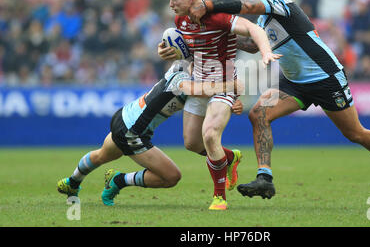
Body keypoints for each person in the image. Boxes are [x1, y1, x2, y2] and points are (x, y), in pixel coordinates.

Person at [189, 0, 370, 205]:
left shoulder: (279, 1)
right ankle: (265, 177)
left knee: (355, 133)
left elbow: (245, 5)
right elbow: (253, 45)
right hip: (295, 83)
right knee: (259, 113)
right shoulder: (265, 18)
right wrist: (218, 37)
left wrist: (208, 6)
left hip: (325, 78)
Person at [158, 0, 281, 210]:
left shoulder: (219, 17)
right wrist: (166, 51)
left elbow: (252, 28)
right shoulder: (180, 20)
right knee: (192, 143)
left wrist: (265, 52)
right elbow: (188, 50)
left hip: (224, 86)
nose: (171, 4)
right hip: (199, 85)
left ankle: (219, 197)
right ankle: (229, 158)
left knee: (210, 135)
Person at [57, 61, 244, 206]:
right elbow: (196, 90)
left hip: (125, 117)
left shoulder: (181, 68)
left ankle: (72, 182)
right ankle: (118, 180)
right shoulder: (182, 77)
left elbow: (209, 96)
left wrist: (232, 101)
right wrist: (231, 87)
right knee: (172, 177)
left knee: (101, 155)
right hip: (133, 132)